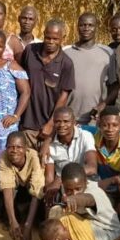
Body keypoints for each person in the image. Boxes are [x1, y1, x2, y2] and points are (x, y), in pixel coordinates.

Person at [52, 163, 120, 240]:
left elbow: (88, 199)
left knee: (62, 215)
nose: (74, 193)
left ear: (85, 182)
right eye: (69, 190)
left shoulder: (95, 191)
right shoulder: (64, 190)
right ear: (63, 185)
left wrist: (74, 198)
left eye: (78, 189)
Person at [20, 19, 75, 149]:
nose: (50, 42)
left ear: (63, 38)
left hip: (48, 127)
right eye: (47, 38)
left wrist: (51, 124)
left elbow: (64, 95)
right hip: (27, 122)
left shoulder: (66, 63)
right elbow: (20, 77)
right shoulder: (30, 51)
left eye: (55, 39)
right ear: (43, 34)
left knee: (46, 163)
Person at [64, 13, 117, 125]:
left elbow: (114, 85)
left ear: (96, 27)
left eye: (90, 25)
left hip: (95, 119)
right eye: (82, 25)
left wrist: (103, 105)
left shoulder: (107, 53)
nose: (86, 28)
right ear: (77, 27)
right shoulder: (66, 53)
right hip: (69, 118)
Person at [89, 106, 120, 226]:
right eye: (105, 125)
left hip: (118, 185)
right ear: (99, 125)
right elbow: (71, 127)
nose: (110, 129)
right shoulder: (93, 134)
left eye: (114, 125)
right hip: (101, 184)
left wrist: (112, 180)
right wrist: (47, 142)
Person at [0, 131, 44, 240]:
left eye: (19, 147)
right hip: (18, 188)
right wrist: (12, 221)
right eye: (11, 147)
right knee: (3, 195)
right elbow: (7, 187)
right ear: (6, 148)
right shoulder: (3, 157)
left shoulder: (34, 157)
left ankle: (29, 222)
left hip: (32, 191)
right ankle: (12, 219)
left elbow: (37, 191)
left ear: (26, 148)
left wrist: (28, 227)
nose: (14, 150)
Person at [44, 107, 97, 207]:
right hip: (63, 186)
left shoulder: (85, 136)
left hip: (84, 181)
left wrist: (61, 178)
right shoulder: (49, 146)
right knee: (51, 193)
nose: (62, 125)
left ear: (74, 122)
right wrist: (50, 188)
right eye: (57, 122)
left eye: (66, 121)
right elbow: (49, 178)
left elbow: (92, 168)